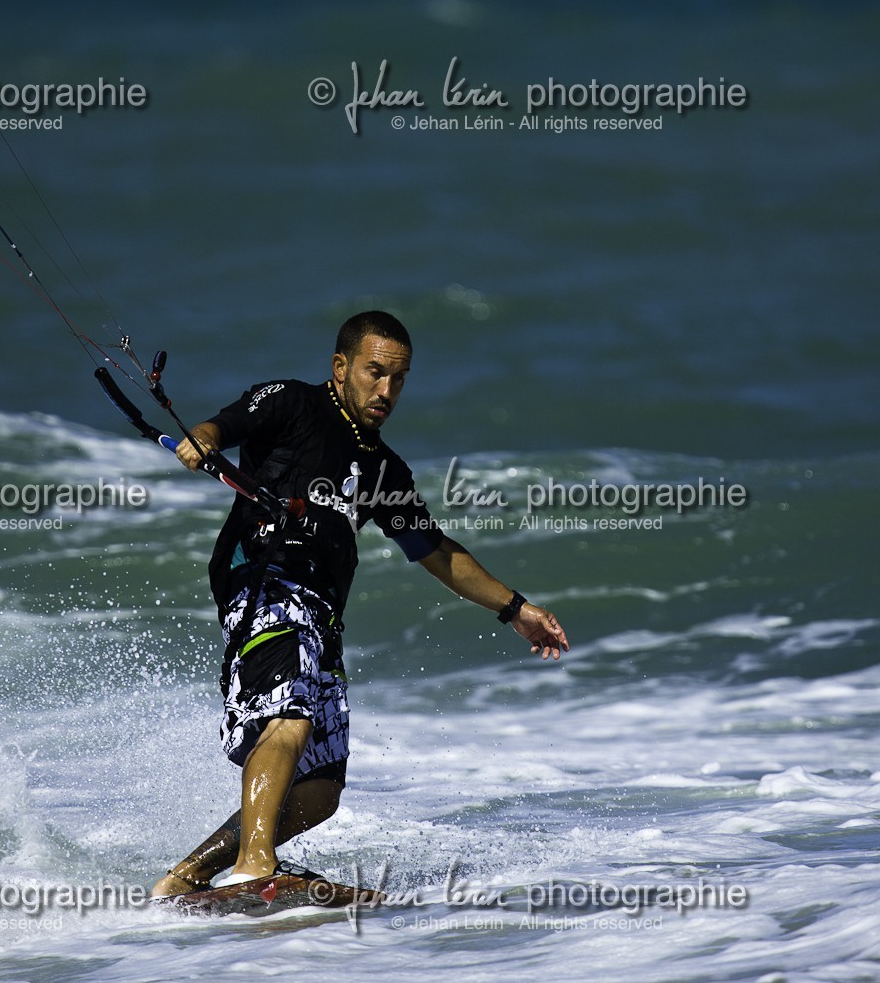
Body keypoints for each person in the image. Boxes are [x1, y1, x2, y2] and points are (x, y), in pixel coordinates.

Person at [151, 310, 568, 897]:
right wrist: (205, 440)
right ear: (341, 366)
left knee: (320, 788)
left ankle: (187, 875)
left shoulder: (383, 468)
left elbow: (434, 550)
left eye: (399, 379)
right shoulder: (293, 402)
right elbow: (224, 426)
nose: (386, 391)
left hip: (322, 616)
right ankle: (255, 863)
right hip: (266, 586)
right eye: (375, 373)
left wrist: (515, 608)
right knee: (289, 719)